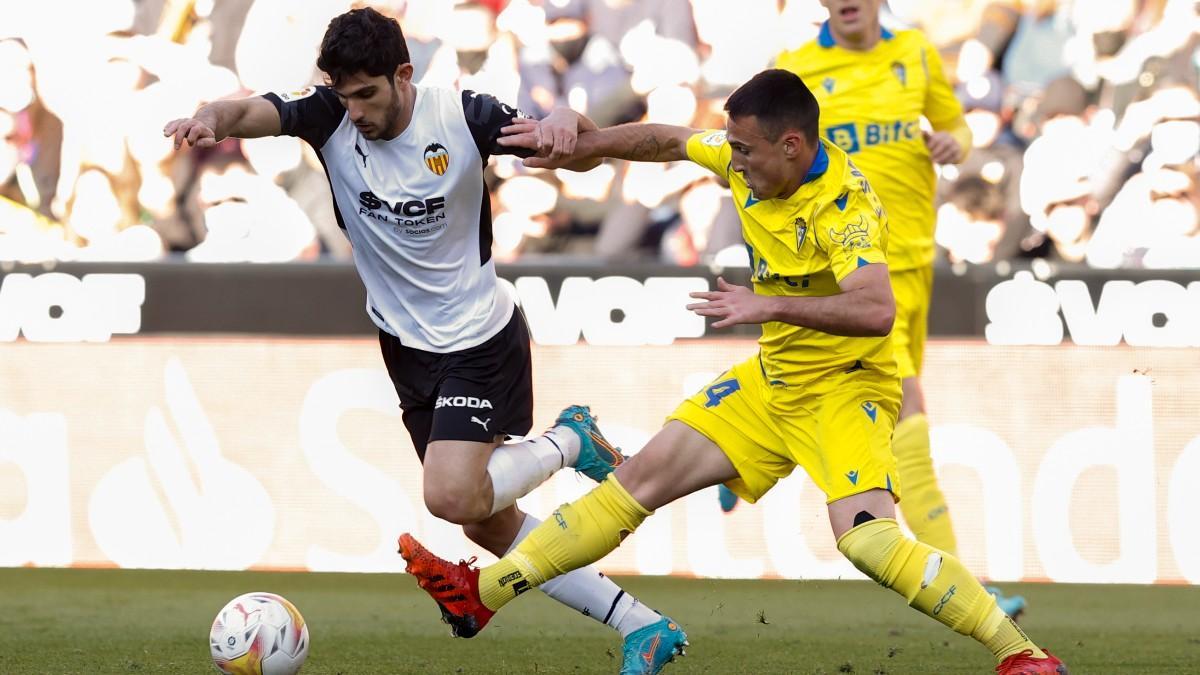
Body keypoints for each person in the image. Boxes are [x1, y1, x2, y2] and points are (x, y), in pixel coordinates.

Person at [397, 69, 1068, 675]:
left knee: (865, 538)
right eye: (732, 148)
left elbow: (876, 309)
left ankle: (1022, 655)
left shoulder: (845, 207)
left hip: (846, 387)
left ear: (792, 149)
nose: (732, 161)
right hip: (772, 383)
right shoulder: (749, 157)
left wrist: (765, 302)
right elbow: (667, 141)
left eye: (744, 151)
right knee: (638, 478)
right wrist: (592, 143)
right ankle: (481, 597)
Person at [162, 9, 684, 674]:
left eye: (368, 95)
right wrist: (208, 116)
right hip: (407, 350)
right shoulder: (327, 116)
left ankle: (568, 440)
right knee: (487, 523)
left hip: (479, 339)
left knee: (450, 496)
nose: (354, 112)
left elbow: (577, 151)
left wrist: (568, 127)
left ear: (403, 75)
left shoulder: (463, 118)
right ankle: (644, 624)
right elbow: (245, 112)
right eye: (344, 95)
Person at [765, 0, 1028, 616]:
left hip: (913, 258)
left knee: (873, 405)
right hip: (848, 268)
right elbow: (763, 162)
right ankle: (967, 585)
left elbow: (959, 130)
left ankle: (755, 455)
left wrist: (949, 142)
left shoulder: (914, 52)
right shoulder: (796, 68)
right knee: (906, 404)